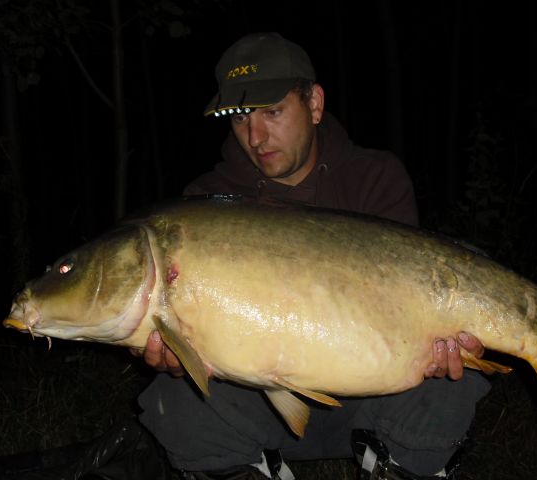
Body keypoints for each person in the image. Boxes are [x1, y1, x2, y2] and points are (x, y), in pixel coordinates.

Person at [137, 32, 490, 480]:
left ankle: (395, 463)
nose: (255, 136)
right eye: (240, 118)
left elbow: (411, 307)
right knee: (174, 396)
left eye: (273, 112)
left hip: (374, 404)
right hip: (261, 405)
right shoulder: (205, 206)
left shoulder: (374, 177)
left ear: (315, 104)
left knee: (461, 370)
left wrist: (439, 347)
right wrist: (179, 354)